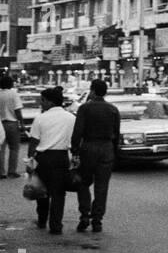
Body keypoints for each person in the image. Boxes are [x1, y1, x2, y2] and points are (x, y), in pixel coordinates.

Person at [71, 78, 120, 233]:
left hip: (88, 148)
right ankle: (97, 220)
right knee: (102, 187)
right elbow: (117, 134)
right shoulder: (113, 109)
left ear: (92, 91)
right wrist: (114, 152)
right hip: (106, 149)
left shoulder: (85, 108)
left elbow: (77, 132)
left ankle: (84, 216)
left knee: (83, 183)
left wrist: (74, 150)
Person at [26, 86, 76, 234]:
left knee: (42, 191)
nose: (41, 103)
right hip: (61, 158)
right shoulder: (71, 118)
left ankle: (42, 220)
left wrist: (30, 161)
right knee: (59, 193)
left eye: (43, 100)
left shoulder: (41, 118)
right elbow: (75, 140)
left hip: (43, 159)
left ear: (50, 102)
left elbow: (33, 142)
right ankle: (56, 225)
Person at [0, 74, 23, 179]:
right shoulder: (14, 94)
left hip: (0, 124)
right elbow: (18, 110)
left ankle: (1, 172)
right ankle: (11, 171)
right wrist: (21, 123)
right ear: (11, 84)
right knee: (14, 148)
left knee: (1, 149)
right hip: (12, 124)